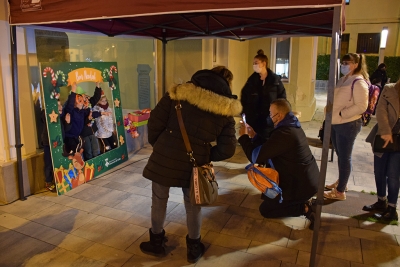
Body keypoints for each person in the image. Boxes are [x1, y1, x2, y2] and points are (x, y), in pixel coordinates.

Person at [139, 66, 241, 263]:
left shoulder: (178, 93)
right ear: (227, 84)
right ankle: (194, 248)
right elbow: (228, 148)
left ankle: (156, 243)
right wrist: (206, 153)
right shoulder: (225, 109)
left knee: (159, 199)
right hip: (196, 162)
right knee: (193, 205)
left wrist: (160, 145)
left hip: (164, 157)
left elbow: (154, 123)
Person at [238, 98, 319, 229]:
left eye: (271, 114)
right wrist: (254, 136)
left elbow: (256, 157)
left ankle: (304, 207)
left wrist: (243, 137)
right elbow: (271, 147)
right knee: (267, 197)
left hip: (302, 185)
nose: (269, 116)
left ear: (279, 115)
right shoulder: (290, 127)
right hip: (304, 179)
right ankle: (299, 201)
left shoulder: (285, 133)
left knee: (266, 210)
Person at [324, 53, 369, 200]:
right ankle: (342, 182)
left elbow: (362, 106)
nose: (343, 65)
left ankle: (340, 192)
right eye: (343, 62)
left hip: (348, 124)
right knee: (341, 155)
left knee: (345, 158)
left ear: (355, 64)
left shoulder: (358, 82)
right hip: (337, 122)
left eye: (347, 63)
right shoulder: (344, 79)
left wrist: (343, 113)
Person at [364, 80, 400, 221]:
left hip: (398, 142)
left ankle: (392, 209)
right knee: (379, 171)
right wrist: (385, 131)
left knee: (393, 175)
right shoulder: (390, 89)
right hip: (384, 137)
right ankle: (381, 201)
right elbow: (380, 110)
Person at [240, 49, 286, 141]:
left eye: (256, 63)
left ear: (264, 63)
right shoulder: (251, 80)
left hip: (269, 118)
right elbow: (244, 97)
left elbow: (282, 98)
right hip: (254, 118)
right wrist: (245, 113)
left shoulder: (275, 80)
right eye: (253, 63)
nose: (254, 65)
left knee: (267, 141)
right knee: (254, 141)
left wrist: (279, 114)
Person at [42, 100, 71, 192]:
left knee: (60, 162)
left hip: (60, 143)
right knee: (49, 163)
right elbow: (44, 115)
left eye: (61, 105)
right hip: (48, 144)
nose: (60, 107)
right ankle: (48, 182)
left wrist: (67, 122)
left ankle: (61, 180)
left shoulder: (61, 118)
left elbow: (65, 130)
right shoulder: (47, 115)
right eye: (57, 105)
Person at [63, 84, 91, 155]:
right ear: (74, 103)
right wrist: (73, 91)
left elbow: (89, 112)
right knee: (74, 152)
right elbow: (70, 104)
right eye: (79, 100)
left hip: (77, 136)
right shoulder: (71, 110)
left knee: (80, 149)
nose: (81, 102)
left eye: (82, 100)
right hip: (70, 137)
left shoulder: (82, 111)